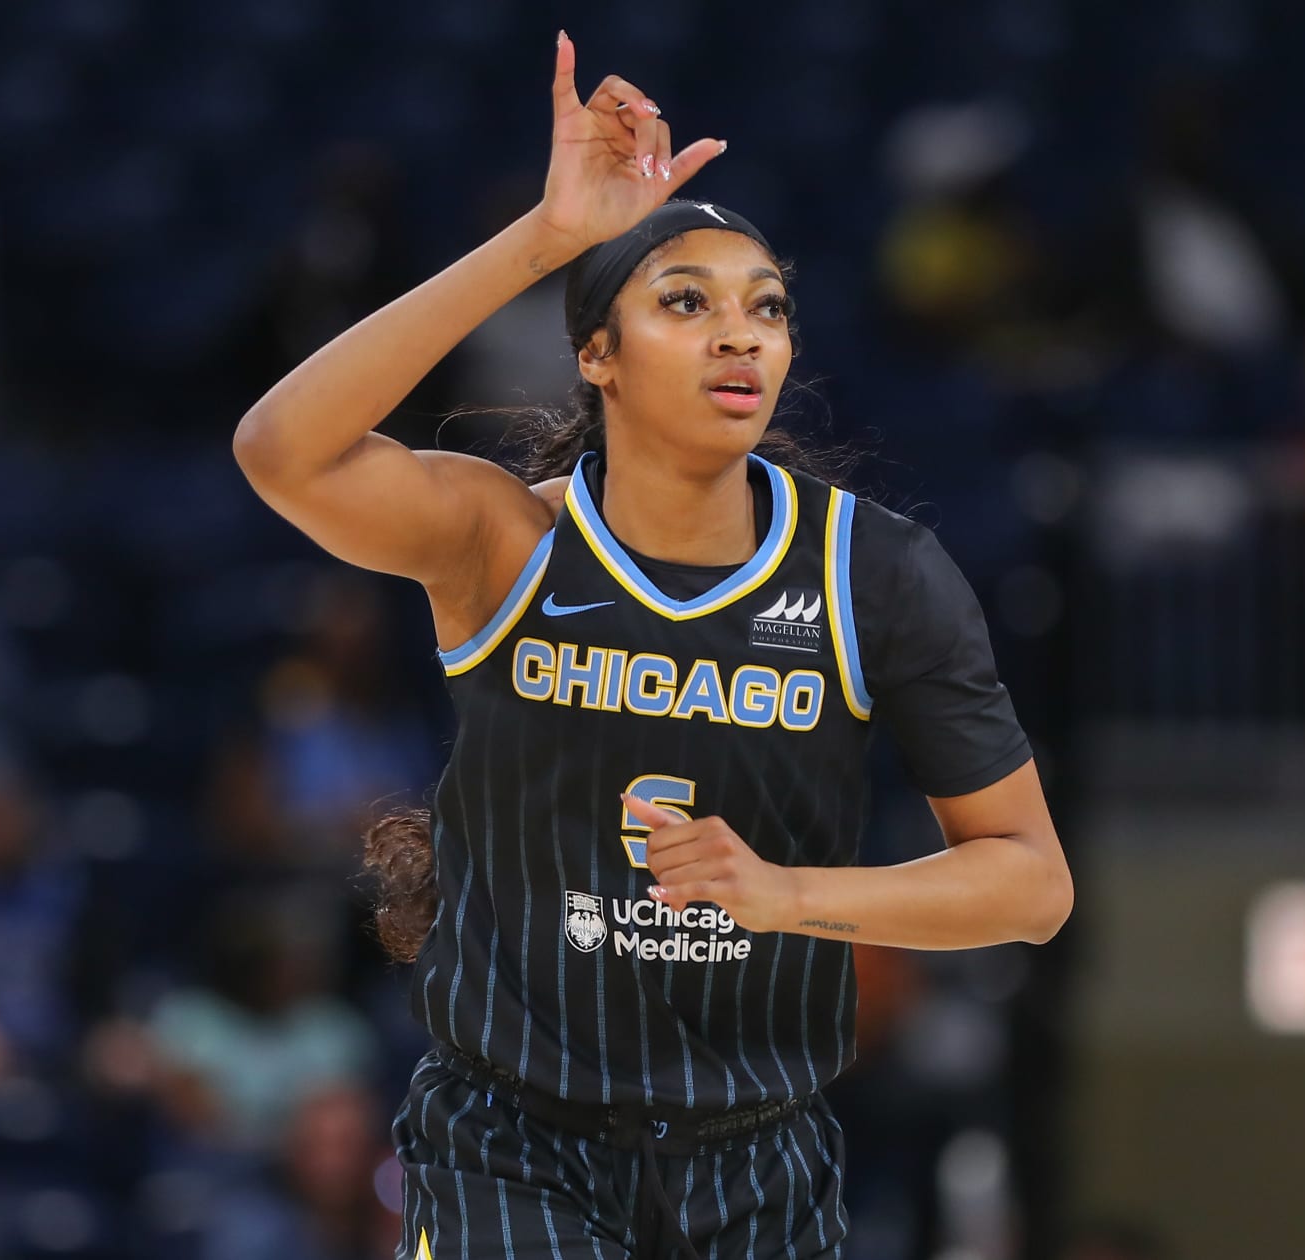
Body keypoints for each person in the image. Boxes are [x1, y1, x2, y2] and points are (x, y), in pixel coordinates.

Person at [232, 30, 1073, 1260]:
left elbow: (1031, 885)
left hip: (759, 1152)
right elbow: (279, 451)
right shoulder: (505, 540)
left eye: (766, 308)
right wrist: (544, 239)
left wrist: (789, 895)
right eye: (687, 303)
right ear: (597, 354)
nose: (741, 336)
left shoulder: (875, 572)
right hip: (511, 1142)